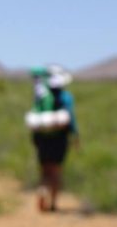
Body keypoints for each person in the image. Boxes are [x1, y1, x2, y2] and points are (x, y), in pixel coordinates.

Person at [26, 65, 79, 212]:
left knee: (44, 170)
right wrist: (75, 135)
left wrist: (35, 138)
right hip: (59, 140)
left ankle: (42, 191)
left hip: (42, 139)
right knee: (56, 170)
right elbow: (70, 119)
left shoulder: (41, 97)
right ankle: (53, 203)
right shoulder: (65, 97)